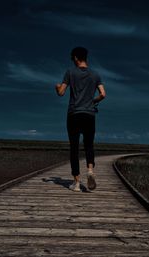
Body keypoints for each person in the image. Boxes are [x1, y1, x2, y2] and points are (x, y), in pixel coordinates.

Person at [55, 47, 106, 192]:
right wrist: (92, 101)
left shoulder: (70, 72)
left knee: (74, 148)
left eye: (72, 58)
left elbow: (61, 92)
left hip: (74, 114)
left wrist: (56, 87)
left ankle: (76, 183)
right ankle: (90, 170)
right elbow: (103, 94)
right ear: (86, 58)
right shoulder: (95, 75)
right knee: (89, 145)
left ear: (76, 58)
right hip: (89, 114)